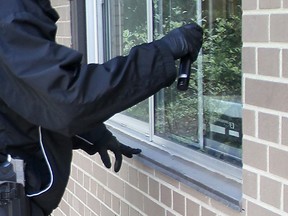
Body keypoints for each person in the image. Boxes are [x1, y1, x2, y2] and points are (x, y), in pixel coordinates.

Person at [0, 0, 203, 215]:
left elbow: (28, 96)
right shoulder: (11, 11)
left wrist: (93, 135)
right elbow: (64, 99)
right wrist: (163, 52)